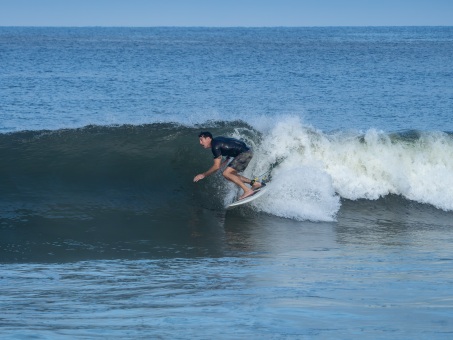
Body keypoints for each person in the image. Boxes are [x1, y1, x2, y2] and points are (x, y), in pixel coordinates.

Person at [193, 131, 264, 200]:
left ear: (208, 138)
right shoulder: (217, 140)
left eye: (201, 140)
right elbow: (229, 145)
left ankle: (247, 190)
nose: (200, 143)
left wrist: (203, 175)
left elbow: (216, 166)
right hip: (247, 151)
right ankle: (255, 183)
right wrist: (227, 159)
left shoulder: (215, 146)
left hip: (244, 153)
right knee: (229, 175)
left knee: (226, 173)